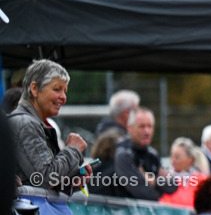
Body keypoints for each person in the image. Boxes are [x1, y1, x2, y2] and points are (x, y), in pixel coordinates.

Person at [9, 59, 92, 194]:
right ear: (35, 89)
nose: (63, 97)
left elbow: (40, 182)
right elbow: (45, 178)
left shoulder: (30, 123)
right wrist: (73, 149)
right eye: (57, 89)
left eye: (65, 91)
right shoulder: (26, 124)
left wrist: (72, 181)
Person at [111, 108, 178, 201]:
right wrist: (160, 188)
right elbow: (141, 192)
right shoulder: (123, 154)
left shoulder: (152, 154)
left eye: (150, 126)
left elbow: (173, 185)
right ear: (129, 128)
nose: (147, 131)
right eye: (142, 127)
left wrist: (153, 181)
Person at [159, 137, 210, 208]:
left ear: (190, 160)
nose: (173, 160)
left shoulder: (201, 179)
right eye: (172, 156)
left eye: (177, 157)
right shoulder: (165, 178)